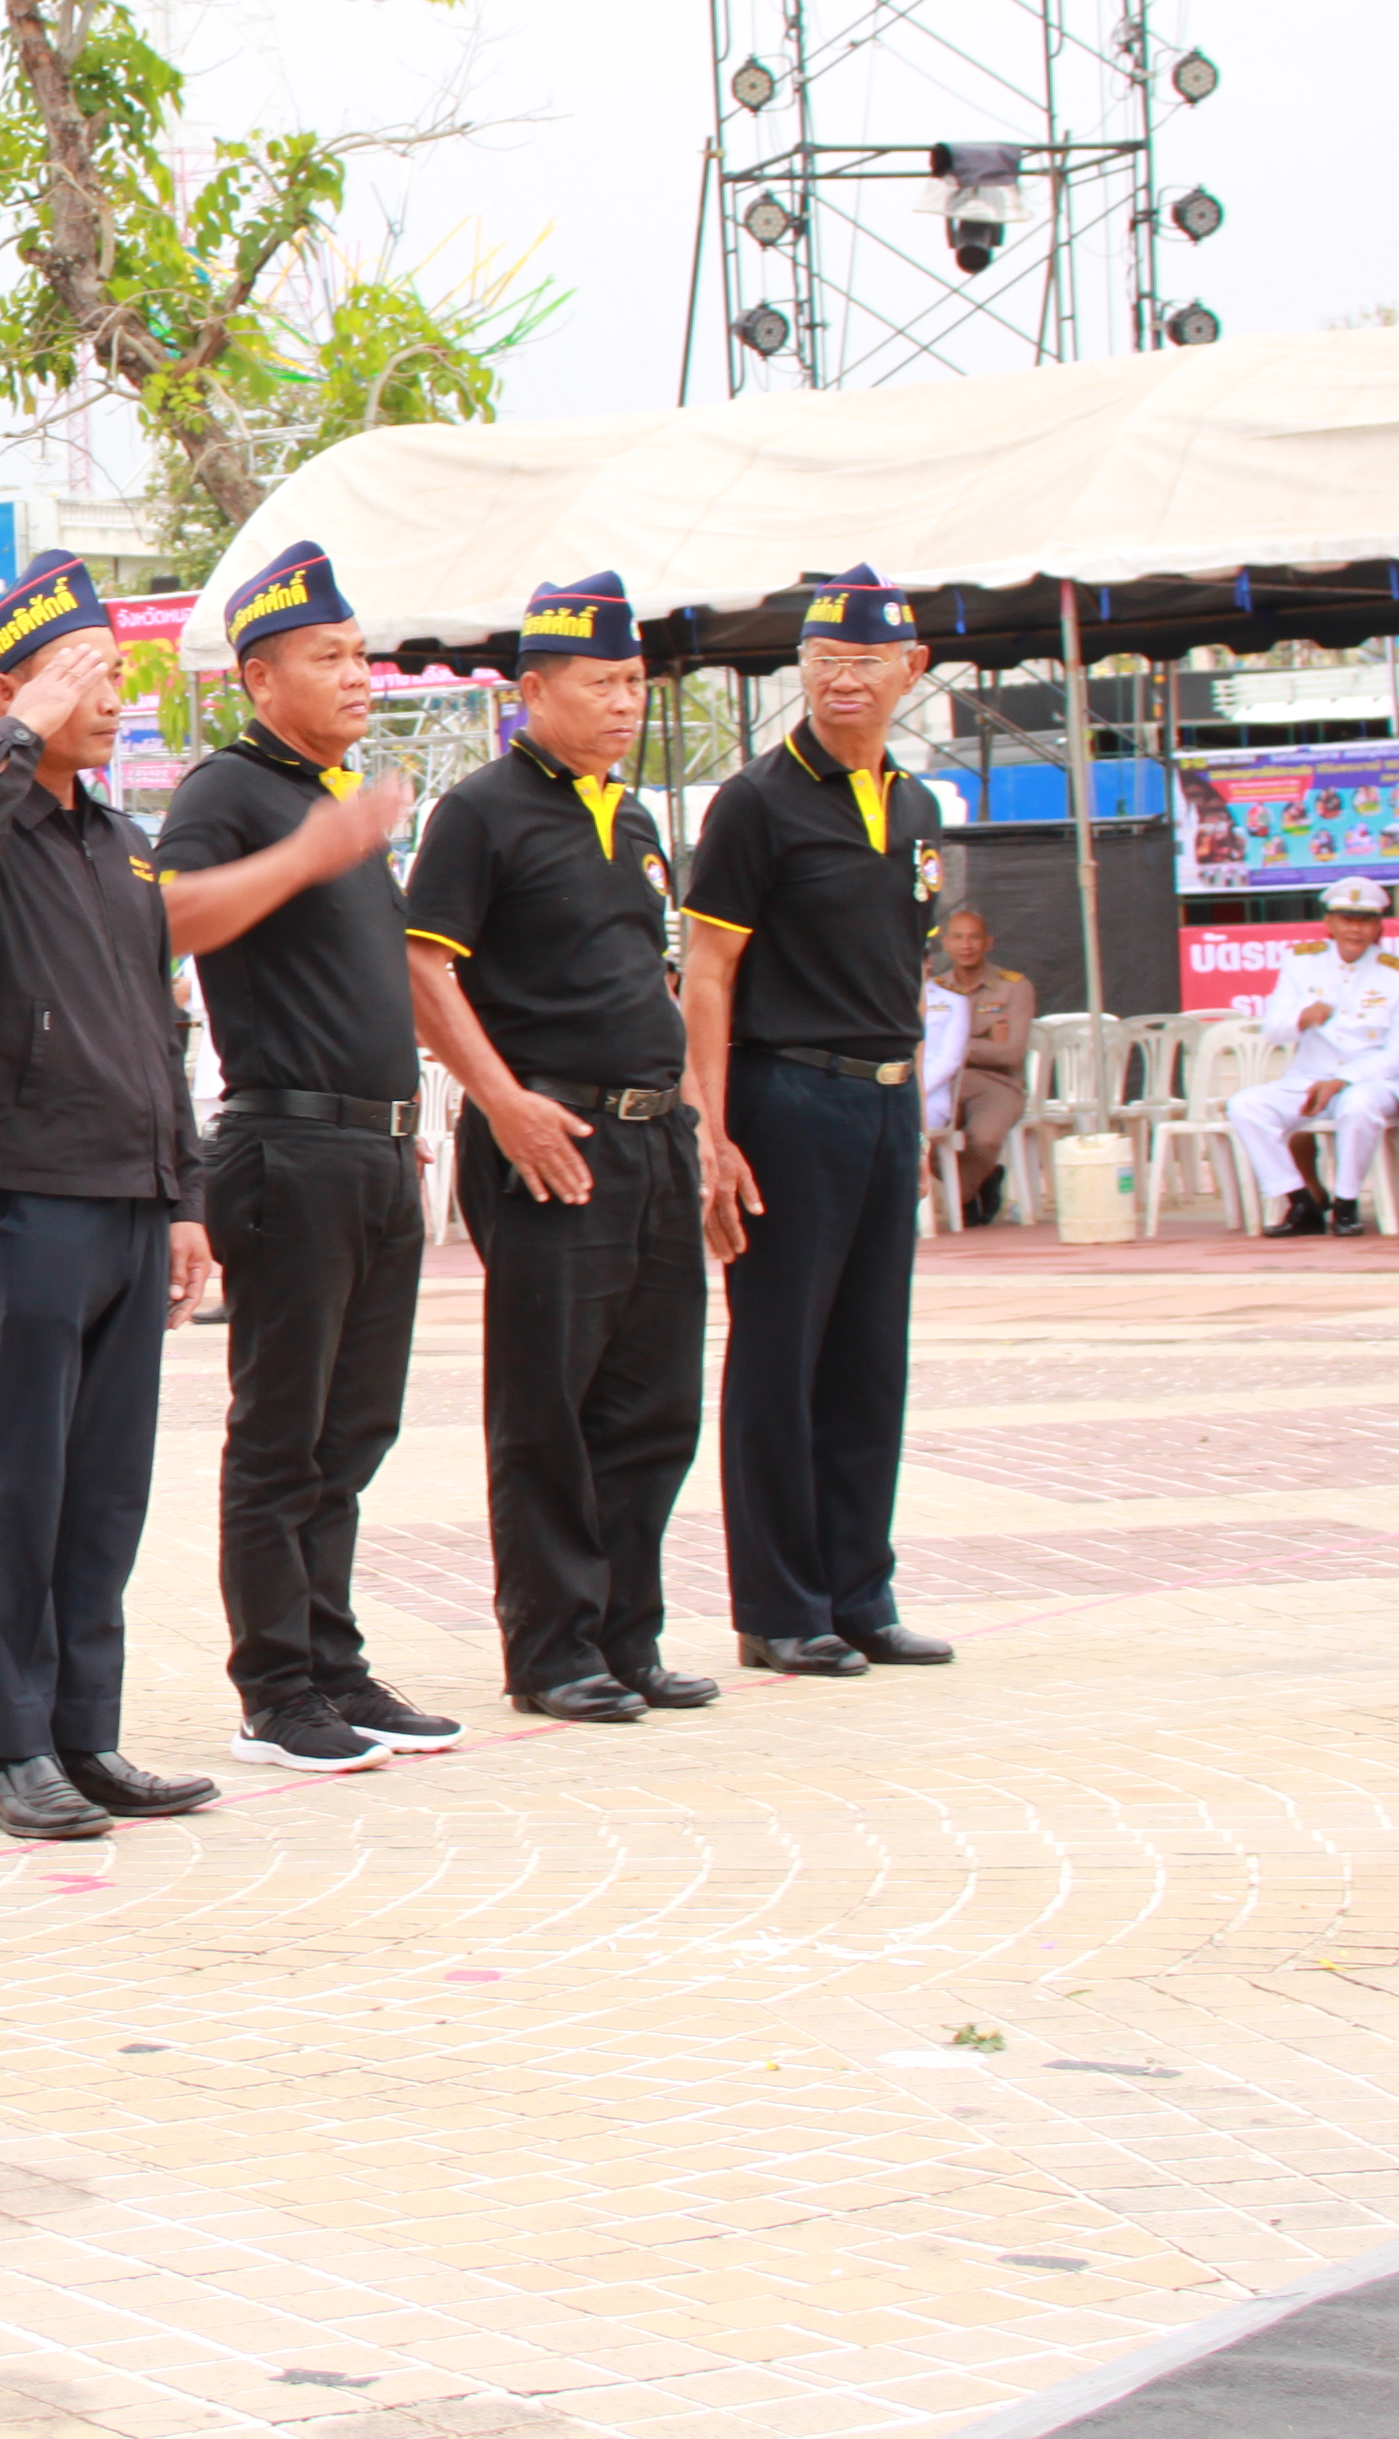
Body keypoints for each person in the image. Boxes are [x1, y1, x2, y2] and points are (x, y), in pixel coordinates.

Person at [0, 546, 220, 1842]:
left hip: (128, 1196)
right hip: (24, 1192)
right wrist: (15, 729)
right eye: (82, 673)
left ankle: (87, 1728)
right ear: (9, 692)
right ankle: (9, 1745)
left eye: (116, 670)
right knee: (23, 1477)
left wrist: (182, 1194)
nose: (111, 693)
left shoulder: (118, 844)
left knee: (107, 1482)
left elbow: (156, 1026)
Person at [153, 541, 455, 1775]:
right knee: (281, 1428)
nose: (357, 677)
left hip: (379, 1152)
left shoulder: (338, 803)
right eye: (327, 659)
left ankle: (333, 1661)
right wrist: (304, 857)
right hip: (288, 1143)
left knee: (355, 1429)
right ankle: (274, 1687)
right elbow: (164, 922)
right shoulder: (230, 793)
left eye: (360, 655)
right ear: (257, 678)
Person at [400, 573, 713, 1726]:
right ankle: (551, 1648)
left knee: (654, 1401)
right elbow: (425, 969)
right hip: (551, 1136)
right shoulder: (482, 811)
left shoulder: (627, 817)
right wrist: (504, 1104)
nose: (626, 703)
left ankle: (629, 1635)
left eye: (634, 682)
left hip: (652, 1136)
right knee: (551, 1404)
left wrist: (701, 1127)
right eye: (602, 683)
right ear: (534, 692)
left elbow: (657, 980)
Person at [682, 568, 954, 1680]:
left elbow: (905, 963)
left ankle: (860, 1591)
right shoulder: (755, 802)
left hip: (887, 1100)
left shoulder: (917, 804)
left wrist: (916, 1113)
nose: (843, 683)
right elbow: (708, 972)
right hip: (788, 1095)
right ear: (802, 671)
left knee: (867, 1360)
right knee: (780, 1357)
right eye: (824, 663)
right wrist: (713, 1125)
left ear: (911, 670)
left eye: (864, 663)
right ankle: (780, 1606)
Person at [1224, 879, 1399, 1237]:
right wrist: (1303, 1018)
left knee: (1357, 1105)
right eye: (1346, 920)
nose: (1355, 930)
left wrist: (1343, 1081)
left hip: (1374, 1082)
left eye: (1365, 921)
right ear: (1329, 924)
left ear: (1378, 927)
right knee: (1245, 1106)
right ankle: (1300, 1200)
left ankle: (1346, 1204)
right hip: (1309, 1078)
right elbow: (1273, 1029)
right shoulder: (1302, 963)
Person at [929, 910, 1034, 1228]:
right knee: (920, 1134)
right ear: (946, 943)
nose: (966, 945)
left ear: (988, 943)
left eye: (974, 937)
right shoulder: (934, 990)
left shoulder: (1014, 987)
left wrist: (956, 1048)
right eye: (958, 936)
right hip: (946, 1081)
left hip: (998, 1083)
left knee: (985, 1140)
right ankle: (979, 1180)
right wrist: (986, 1041)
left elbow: (1011, 1054)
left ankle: (960, 1195)